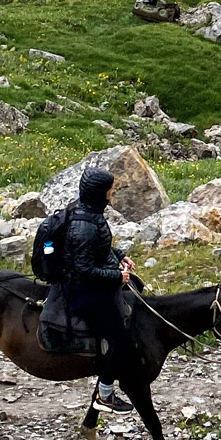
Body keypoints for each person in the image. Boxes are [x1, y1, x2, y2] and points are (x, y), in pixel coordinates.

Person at [61, 166, 135, 412]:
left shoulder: (89, 213)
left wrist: (120, 256)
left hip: (89, 284)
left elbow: (98, 249)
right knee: (121, 342)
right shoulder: (86, 225)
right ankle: (105, 395)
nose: (112, 193)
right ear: (101, 193)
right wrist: (117, 276)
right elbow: (83, 269)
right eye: (110, 189)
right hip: (84, 292)